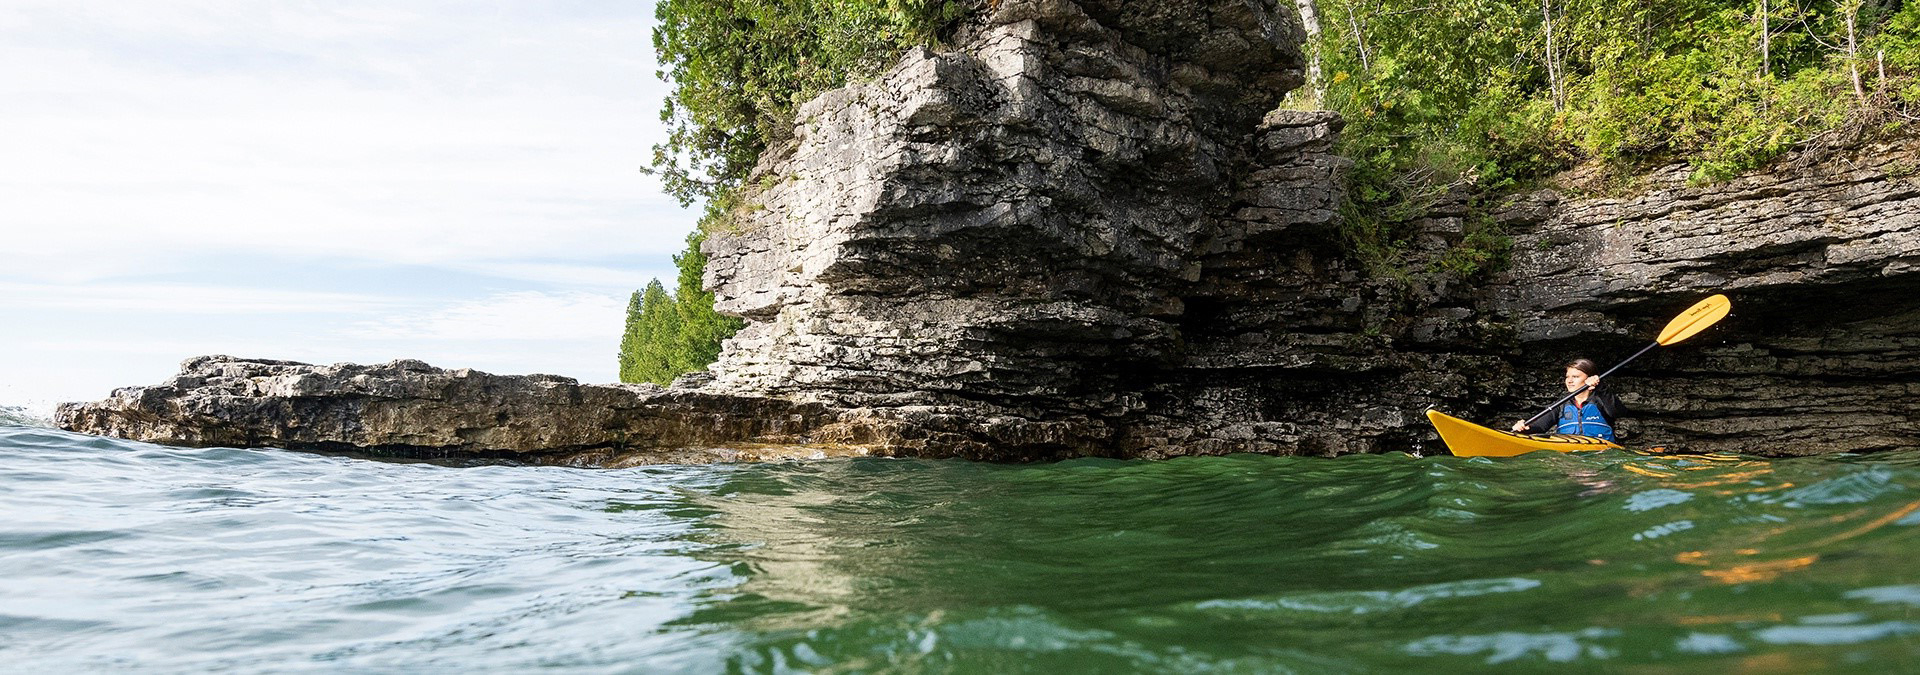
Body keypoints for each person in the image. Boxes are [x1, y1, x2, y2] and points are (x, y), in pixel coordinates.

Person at [1510, 358, 1623, 441]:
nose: (1569, 381)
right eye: (1567, 377)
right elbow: (1540, 426)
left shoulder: (1602, 399)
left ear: (1590, 378)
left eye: (1575, 377)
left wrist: (1600, 386)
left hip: (1601, 454)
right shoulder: (1562, 404)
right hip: (1570, 455)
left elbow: (1618, 412)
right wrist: (1524, 428)